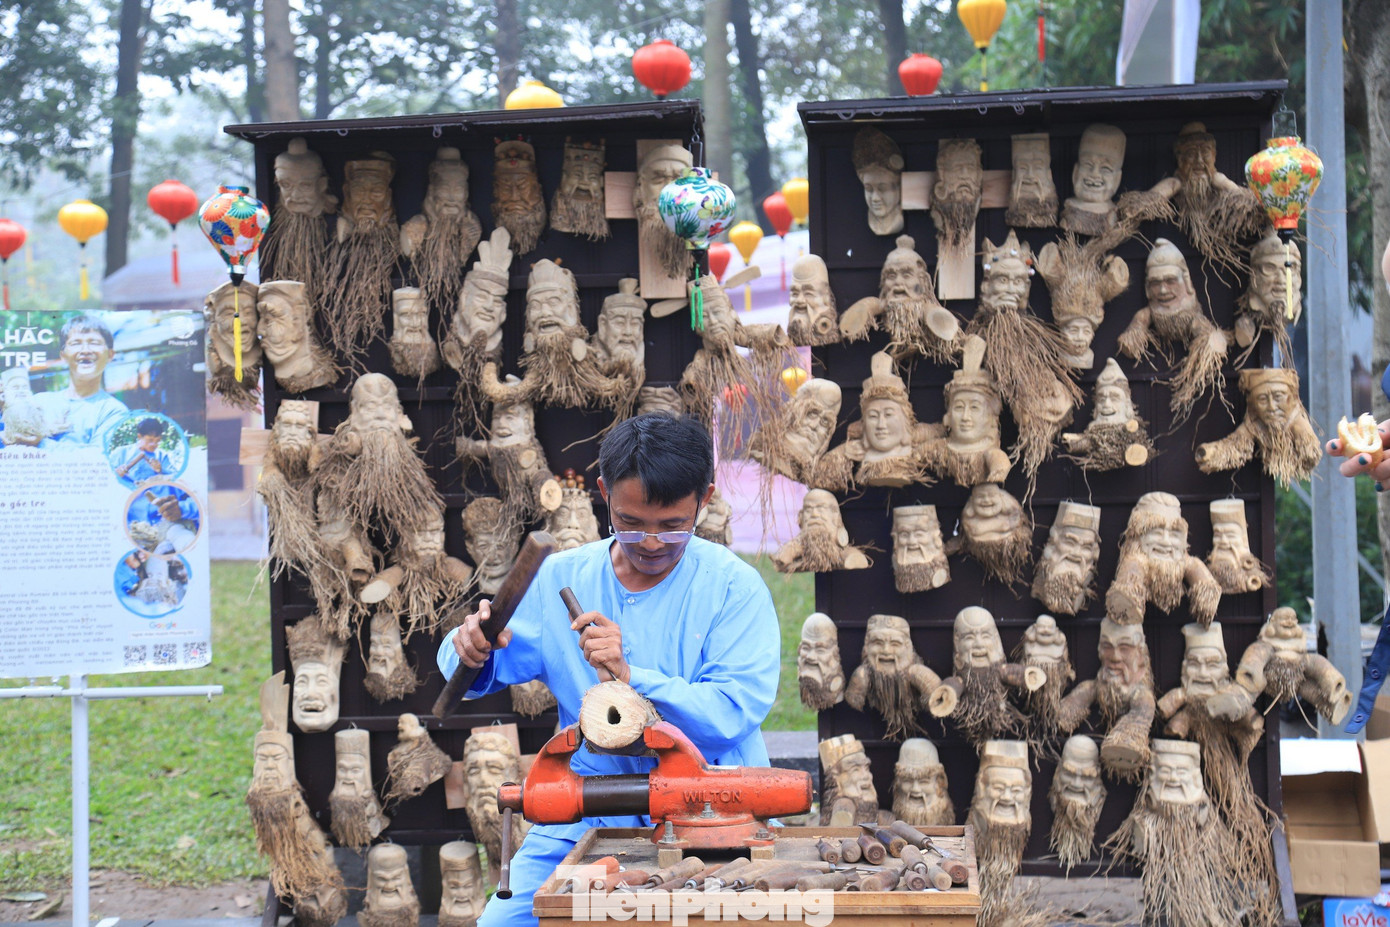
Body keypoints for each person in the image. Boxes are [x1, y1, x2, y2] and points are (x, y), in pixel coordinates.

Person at [436, 413, 780, 926]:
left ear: (704, 499)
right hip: (587, 806)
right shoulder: (560, 577)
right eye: (631, 523)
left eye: (673, 526)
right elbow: (472, 669)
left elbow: (729, 715)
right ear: (604, 493)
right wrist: (468, 648)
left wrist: (632, 678)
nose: (651, 542)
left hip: (711, 809)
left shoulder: (734, 588)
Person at [36, 316, 129, 448]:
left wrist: (38, 440)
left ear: (110, 355)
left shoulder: (114, 411)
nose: (85, 350)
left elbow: (96, 457)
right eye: (76, 343)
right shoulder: (39, 403)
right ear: (63, 356)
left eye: (94, 343)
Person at [109, 417, 172, 486]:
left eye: (157, 441)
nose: (154, 444)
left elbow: (175, 477)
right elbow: (106, 476)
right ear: (139, 436)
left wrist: (161, 470)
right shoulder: (120, 452)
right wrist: (116, 474)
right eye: (150, 440)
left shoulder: (162, 456)